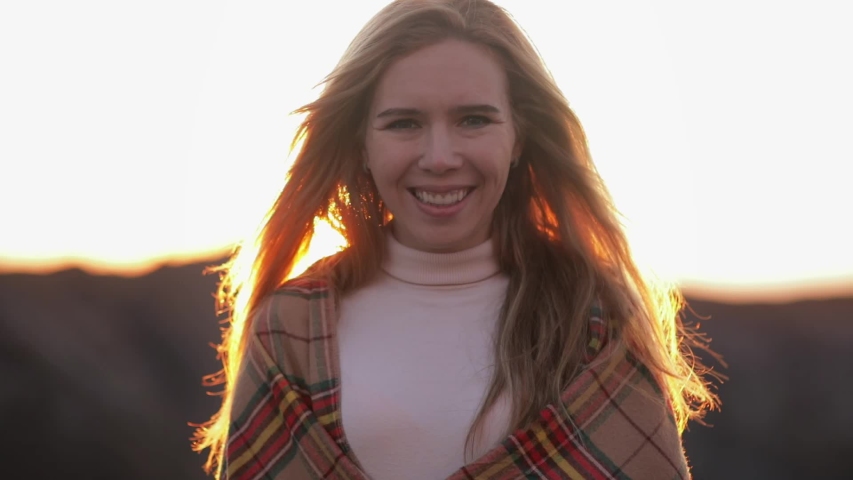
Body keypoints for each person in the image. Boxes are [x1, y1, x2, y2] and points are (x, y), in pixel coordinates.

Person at [192, 0, 720, 478]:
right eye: (404, 124)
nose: (440, 157)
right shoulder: (290, 328)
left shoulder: (593, 318)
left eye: (473, 120)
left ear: (518, 137)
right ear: (362, 144)